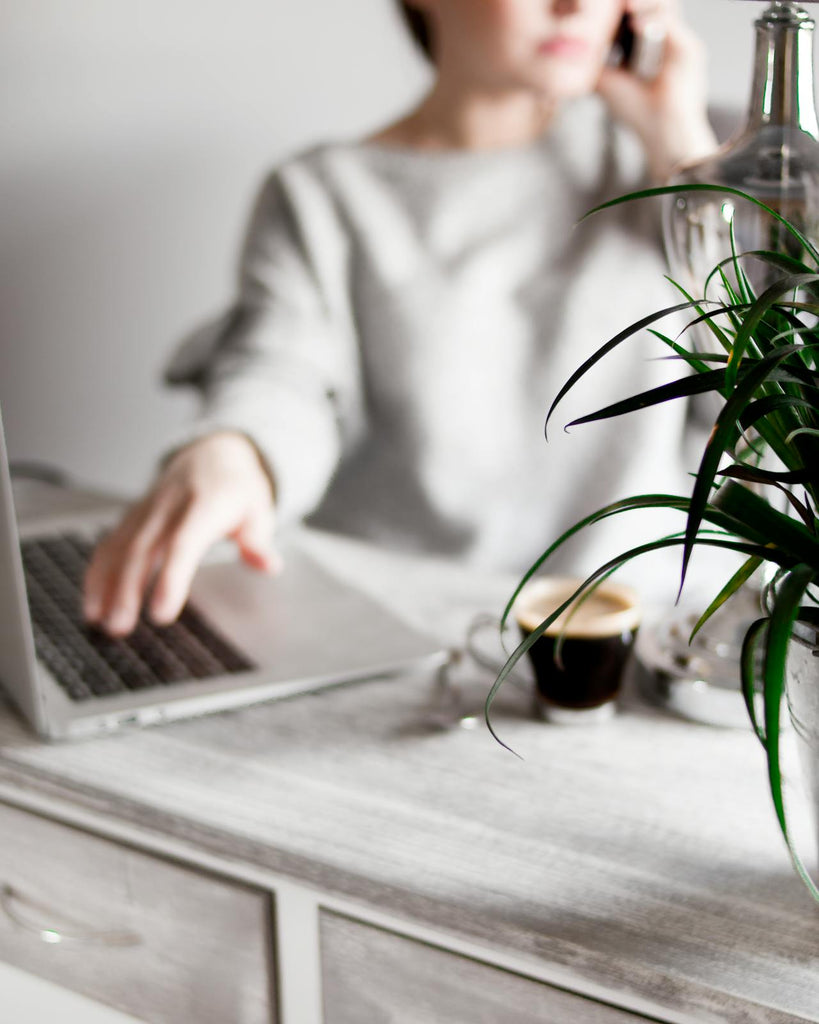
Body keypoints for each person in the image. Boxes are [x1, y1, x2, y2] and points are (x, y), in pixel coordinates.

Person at [83, 0, 716, 637]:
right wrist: (236, 449)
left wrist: (684, 153)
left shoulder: (676, 175)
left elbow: (779, 399)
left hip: (628, 646)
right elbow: (281, 371)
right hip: (394, 637)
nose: (576, 6)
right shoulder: (322, 193)